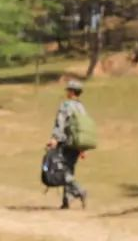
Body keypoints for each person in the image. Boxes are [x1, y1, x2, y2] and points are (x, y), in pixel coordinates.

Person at [46, 79, 88, 209]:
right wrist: (82, 148)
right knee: (69, 169)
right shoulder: (82, 107)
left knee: (61, 169)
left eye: (68, 90)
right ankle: (66, 201)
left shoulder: (65, 105)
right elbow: (84, 128)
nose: (67, 92)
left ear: (72, 92)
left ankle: (80, 191)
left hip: (65, 142)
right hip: (77, 143)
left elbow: (60, 123)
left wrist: (54, 138)